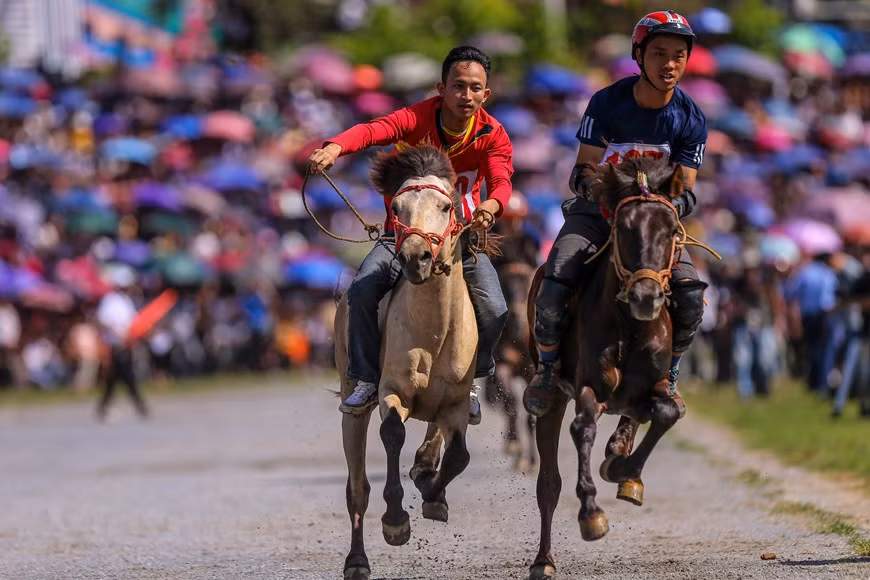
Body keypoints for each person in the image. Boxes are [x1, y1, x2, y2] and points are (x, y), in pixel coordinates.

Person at [308, 46, 513, 424]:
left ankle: (470, 380)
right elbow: (373, 131)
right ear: (442, 88)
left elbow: (501, 181)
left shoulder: (493, 135)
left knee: (496, 307)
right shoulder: (417, 118)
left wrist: (491, 207)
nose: (465, 96)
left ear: (486, 94)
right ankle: (367, 380)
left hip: (460, 240)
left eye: (474, 88)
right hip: (400, 238)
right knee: (361, 292)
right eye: (458, 86)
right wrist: (336, 146)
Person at [523, 10, 708, 418]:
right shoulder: (606, 102)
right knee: (555, 282)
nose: (670, 64)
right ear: (639, 55)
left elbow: (687, 188)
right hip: (597, 213)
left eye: (679, 55)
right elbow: (584, 167)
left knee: (691, 294)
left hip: (654, 226)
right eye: (660, 53)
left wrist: (664, 207)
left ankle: (670, 374)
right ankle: (548, 370)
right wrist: (601, 191)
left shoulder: (691, 117)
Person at [95, 272, 149, 421]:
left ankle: (103, 407)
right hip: (115, 345)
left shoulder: (126, 301)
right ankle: (140, 406)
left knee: (114, 380)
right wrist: (115, 333)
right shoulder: (109, 301)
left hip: (126, 343)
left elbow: (132, 322)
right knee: (127, 377)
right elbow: (102, 321)